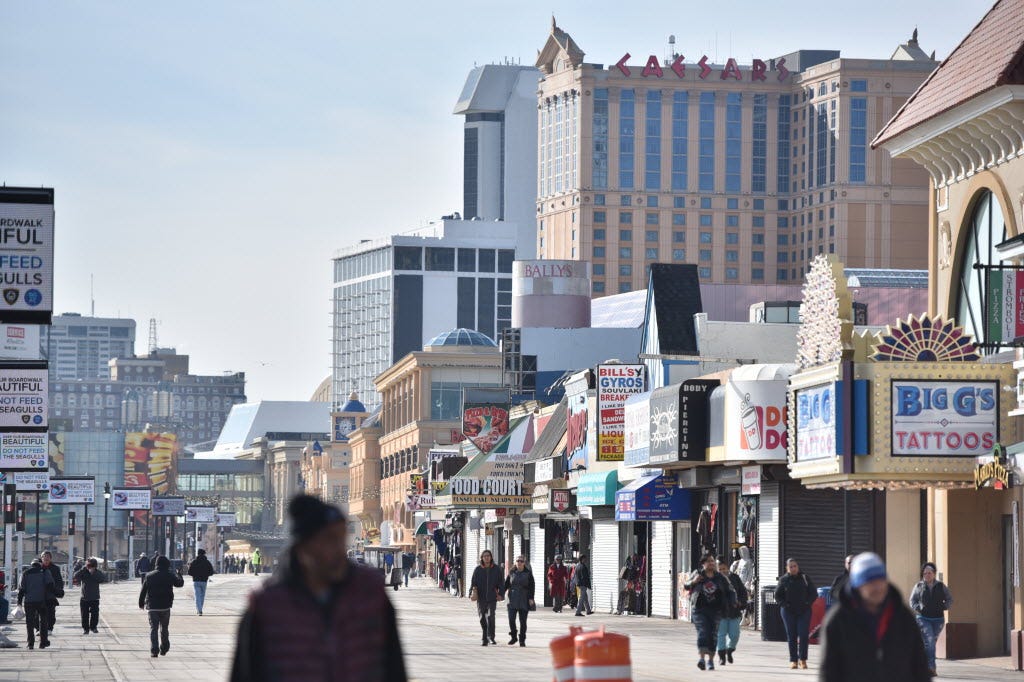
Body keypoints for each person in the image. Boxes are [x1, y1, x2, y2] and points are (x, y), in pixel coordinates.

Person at [230, 494, 406, 681]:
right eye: (329, 540)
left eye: (341, 538)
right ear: (303, 547)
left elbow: (394, 669)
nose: (339, 549)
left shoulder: (369, 594)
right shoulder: (268, 605)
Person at [821, 552, 930, 682]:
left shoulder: (903, 616)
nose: (877, 587)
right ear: (857, 586)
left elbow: (919, 665)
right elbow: (829, 671)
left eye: (881, 580)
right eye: (870, 582)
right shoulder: (837, 620)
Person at [684, 553, 733, 671]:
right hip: (699, 609)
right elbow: (686, 585)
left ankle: (710, 660)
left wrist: (732, 602)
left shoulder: (720, 577)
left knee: (713, 635)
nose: (711, 563)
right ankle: (701, 659)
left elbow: (730, 590)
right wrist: (694, 582)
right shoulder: (697, 574)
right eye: (709, 561)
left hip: (715, 610)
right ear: (703, 564)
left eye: (712, 561)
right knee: (703, 631)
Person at [910, 561, 954, 677]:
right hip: (923, 618)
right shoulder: (919, 586)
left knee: (930, 644)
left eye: (929, 573)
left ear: (934, 574)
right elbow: (912, 601)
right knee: (929, 642)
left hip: (938, 620)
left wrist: (944, 606)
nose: (927, 575)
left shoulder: (941, 586)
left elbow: (950, 599)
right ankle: (931, 668)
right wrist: (918, 608)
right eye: (925, 573)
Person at [139, 555, 185, 657]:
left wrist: (141, 603)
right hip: (165, 606)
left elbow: (143, 591)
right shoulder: (170, 575)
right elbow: (179, 584)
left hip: (153, 606)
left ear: (156, 564)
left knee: (153, 628)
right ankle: (164, 648)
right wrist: (179, 574)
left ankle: (154, 651)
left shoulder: (149, 576)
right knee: (164, 628)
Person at [774, 557, 816, 669]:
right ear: (787, 568)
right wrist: (785, 605)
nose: (793, 568)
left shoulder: (805, 578)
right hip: (788, 612)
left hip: (804, 611)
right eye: (790, 567)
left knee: (803, 635)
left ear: (798, 567)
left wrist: (808, 604)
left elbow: (813, 593)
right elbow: (777, 595)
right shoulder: (784, 580)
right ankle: (793, 660)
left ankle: (803, 659)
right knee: (791, 636)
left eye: (795, 566)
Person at [716, 556, 748, 666]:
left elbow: (743, 593)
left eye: (724, 568)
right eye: (719, 569)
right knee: (721, 635)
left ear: (728, 568)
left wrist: (742, 603)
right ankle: (721, 657)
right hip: (720, 614)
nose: (722, 571)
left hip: (734, 612)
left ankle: (730, 650)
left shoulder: (735, 578)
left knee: (735, 635)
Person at [17, 559, 55, 649]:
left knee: (29, 622)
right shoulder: (45, 571)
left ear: (31, 564)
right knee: (43, 621)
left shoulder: (25, 573)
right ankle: (43, 642)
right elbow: (50, 585)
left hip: (29, 601)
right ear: (40, 564)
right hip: (42, 601)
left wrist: (19, 603)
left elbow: (21, 589)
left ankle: (30, 643)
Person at [471, 549, 504, 645]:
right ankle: (485, 636)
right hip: (481, 597)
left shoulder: (496, 569)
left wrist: (501, 594)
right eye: (484, 556)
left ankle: (490, 637)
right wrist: (471, 593)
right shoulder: (478, 569)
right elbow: (473, 583)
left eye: (488, 556)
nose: (486, 557)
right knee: (482, 618)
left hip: (492, 597)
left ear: (491, 557)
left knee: (491, 616)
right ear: (482, 558)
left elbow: (501, 583)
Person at [504, 555, 535, 647]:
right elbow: (506, 584)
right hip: (512, 599)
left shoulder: (528, 573)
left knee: (523, 621)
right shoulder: (511, 572)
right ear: (515, 562)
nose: (519, 563)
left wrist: (531, 598)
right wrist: (500, 594)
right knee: (511, 619)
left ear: (524, 563)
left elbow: (532, 587)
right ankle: (514, 636)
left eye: (521, 561)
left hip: (524, 599)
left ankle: (522, 640)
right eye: (518, 561)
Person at [73, 557, 106, 634]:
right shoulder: (84, 571)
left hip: (95, 597)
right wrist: (83, 569)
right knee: (84, 615)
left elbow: (102, 579)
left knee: (95, 614)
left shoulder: (97, 572)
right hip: (84, 597)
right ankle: (86, 629)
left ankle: (93, 627)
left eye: (92, 566)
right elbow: (75, 576)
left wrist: (94, 573)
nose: (90, 568)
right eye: (89, 566)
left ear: (95, 566)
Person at [39, 551, 64, 635]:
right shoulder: (37, 567)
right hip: (39, 594)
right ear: (41, 558)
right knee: (37, 613)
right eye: (44, 557)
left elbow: (59, 581)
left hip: (51, 594)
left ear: (50, 558)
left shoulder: (55, 568)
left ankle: (49, 628)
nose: (46, 558)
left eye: (47, 557)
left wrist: (58, 589)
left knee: (50, 612)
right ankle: (38, 628)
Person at [187, 548, 215, 615]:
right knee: (202, 596)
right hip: (204, 581)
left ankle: (199, 610)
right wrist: (206, 575)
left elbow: (189, 572)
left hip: (196, 581)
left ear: (198, 554)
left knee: (197, 596)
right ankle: (200, 609)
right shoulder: (207, 562)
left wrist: (194, 575)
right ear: (204, 554)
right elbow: (211, 572)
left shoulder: (194, 562)